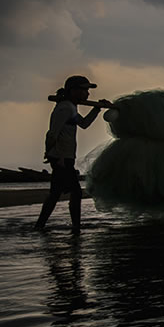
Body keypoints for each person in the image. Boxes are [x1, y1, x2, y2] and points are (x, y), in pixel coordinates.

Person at [35, 75, 110, 233]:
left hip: (65, 157)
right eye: (84, 90)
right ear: (74, 91)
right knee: (75, 192)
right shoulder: (64, 108)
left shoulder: (71, 107)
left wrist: (97, 108)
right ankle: (76, 227)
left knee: (55, 194)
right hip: (61, 158)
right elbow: (52, 134)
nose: (87, 94)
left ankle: (40, 226)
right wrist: (54, 156)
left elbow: (84, 124)